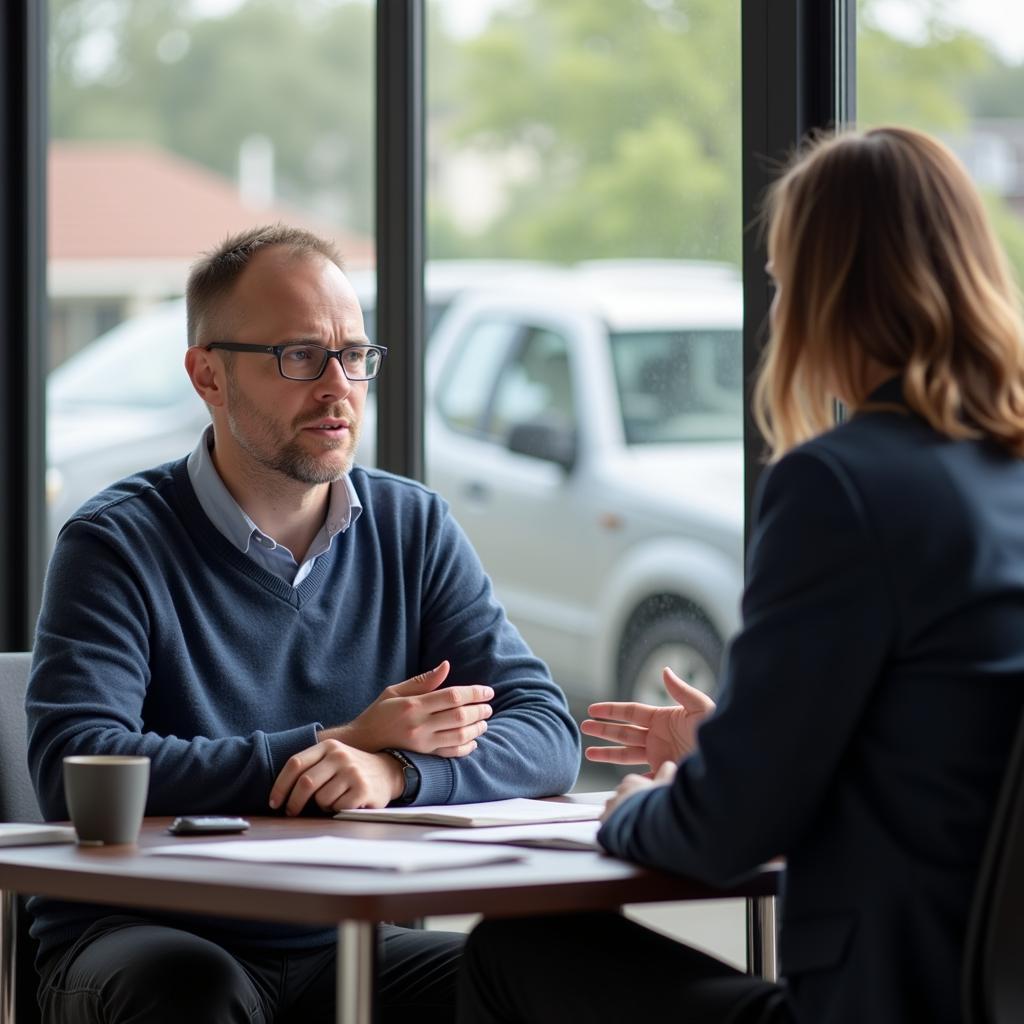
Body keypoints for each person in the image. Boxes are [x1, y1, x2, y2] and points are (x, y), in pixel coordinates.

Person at [456, 125, 1024, 1024]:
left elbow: (723, 835)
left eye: (782, 277)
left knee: (512, 951)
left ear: (827, 292)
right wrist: (737, 748)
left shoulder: (840, 486)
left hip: (872, 1001)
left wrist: (636, 808)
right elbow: (945, 754)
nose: (780, 302)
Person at [25, 223, 580, 1024]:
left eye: (354, 355)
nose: (338, 387)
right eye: (299, 356)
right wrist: (339, 747)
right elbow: (80, 763)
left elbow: (545, 732)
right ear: (207, 375)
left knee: (526, 980)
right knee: (190, 991)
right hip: (143, 932)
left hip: (347, 938)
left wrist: (397, 774)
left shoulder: (412, 528)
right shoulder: (115, 541)